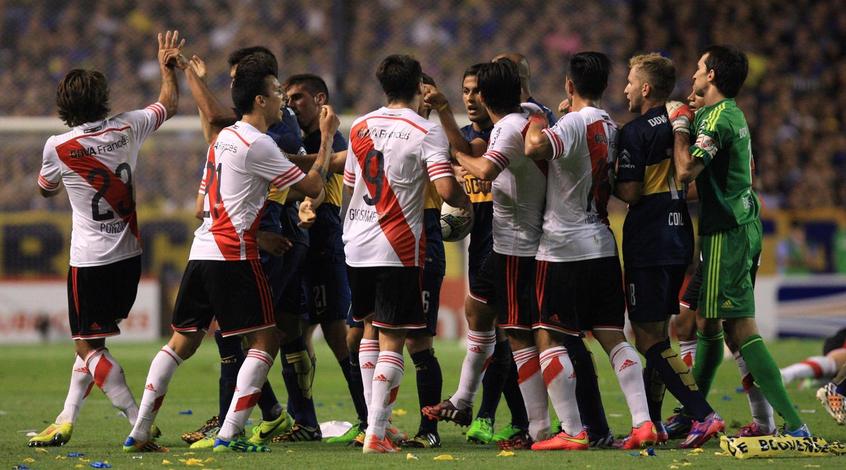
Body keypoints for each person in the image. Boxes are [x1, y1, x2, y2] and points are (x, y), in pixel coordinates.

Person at [122, 56, 336, 453]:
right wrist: (326, 138)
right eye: (276, 93)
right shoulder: (260, 144)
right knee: (266, 340)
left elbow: (204, 203)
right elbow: (311, 186)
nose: (281, 100)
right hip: (233, 255)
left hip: (202, 250)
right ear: (259, 100)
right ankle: (230, 433)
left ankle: (140, 430)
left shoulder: (223, 138)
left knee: (180, 343)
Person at [28, 30, 182, 449]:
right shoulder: (130, 125)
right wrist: (167, 68)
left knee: (86, 346)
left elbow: (45, 189)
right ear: (104, 99)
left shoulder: (58, 146)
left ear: (64, 106)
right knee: (91, 343)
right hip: (129, 256)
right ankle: (66, 417)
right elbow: (168, 104)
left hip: (90, 261)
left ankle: (137, 421)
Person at [670, 44, 811, 437]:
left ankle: (794, 425)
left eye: (699, 67)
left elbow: (686, 172)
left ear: (712, 74)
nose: (693, 74)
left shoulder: (718, 119)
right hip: (739, 224)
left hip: (728, 232)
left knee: (739, 329)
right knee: (708, 322)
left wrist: (680, 126)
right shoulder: (724, 113)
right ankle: (696, 413)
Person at [524, 51, 654, 450]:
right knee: (613, 335)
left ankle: (572, 430)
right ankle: (643, 423)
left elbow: (535, 147)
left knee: (548, 336)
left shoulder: (572, 123)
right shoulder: (610, 125)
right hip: (601, 242)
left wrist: (538, 117)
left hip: (563, 247)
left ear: (569, 85)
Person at [344, 54, 470, 454]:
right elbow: (446, 191)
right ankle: (377, 433)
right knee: (393, 339)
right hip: (396, 246)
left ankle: (372, 426)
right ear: (419, 85)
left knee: (369, 329)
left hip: (356, 243)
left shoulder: (359, 125)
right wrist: (465, 202)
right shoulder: (425, 131)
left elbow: (350, 186)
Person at [174, 47, 299, 449]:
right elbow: (214, 134)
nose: (233, 91)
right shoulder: (239, 134)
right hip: (242, 239)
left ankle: (233, 425)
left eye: (236, 82)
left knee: (250, 336)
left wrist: (192, 78)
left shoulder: (271, 131)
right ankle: (263, 415)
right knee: (248, 336)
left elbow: (215, 120)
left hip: (257, 241)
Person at [423, 59, 551, 450]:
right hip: (503, 241)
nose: (471, 98)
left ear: (489, 97)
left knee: (520, 334)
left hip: (519, 242)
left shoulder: (513, 126)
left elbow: (481, 166)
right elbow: (476, 155)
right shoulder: (521, 123)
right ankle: (468, 402)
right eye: (466, 91)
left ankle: (536, 426)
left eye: (476, 91)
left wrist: (452, 158)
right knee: (481, 313)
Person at [493, 51, 613, 447]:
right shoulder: (585, 120)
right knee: (573, 338)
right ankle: (592, 428)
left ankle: (564, 429)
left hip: (546, 244)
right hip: (584, 239)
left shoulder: (538, 121)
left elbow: (528, 153)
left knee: (544, 335)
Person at [616, 53, 723, 448]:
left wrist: (603, 179)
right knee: (659, 337)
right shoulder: (683, 120)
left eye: (630, 82)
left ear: (645, 88)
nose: (625, 90)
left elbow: (630, 192)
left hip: (648, 239)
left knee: (649, 340)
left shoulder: (634, 131)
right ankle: (656, 422)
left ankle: (703, 414)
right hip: (680, 236)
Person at [283, 73, 369, 444]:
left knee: (339, 336)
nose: (291, 104)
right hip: (297, 241)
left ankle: (370, 419)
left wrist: (307, 202)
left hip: (324, 239)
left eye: (298, 97)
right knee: (294, 335)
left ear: (320, 99)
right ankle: (304, 422)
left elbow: (322, 184)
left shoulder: (332, 139)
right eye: (287, 98)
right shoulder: (291, 136)